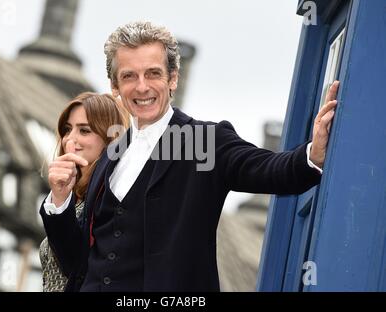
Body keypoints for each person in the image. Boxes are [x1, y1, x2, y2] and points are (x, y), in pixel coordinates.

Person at [40, 21, 340, 292]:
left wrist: (312, 154)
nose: (142, 86)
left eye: (153, 73)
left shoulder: (204, 141)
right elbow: (76, 263)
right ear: (115, 87)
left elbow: (267, 168)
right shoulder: (110, 154)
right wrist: (59, 202)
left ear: (173, 79)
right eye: (129, 76)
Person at [39, 92, 128, 292]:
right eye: (67, 130)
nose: (70, 140)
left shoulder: (114, 198)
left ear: (110, 139)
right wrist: (61, 198)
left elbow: (79, 267)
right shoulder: (74, 196)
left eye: (85, 131)